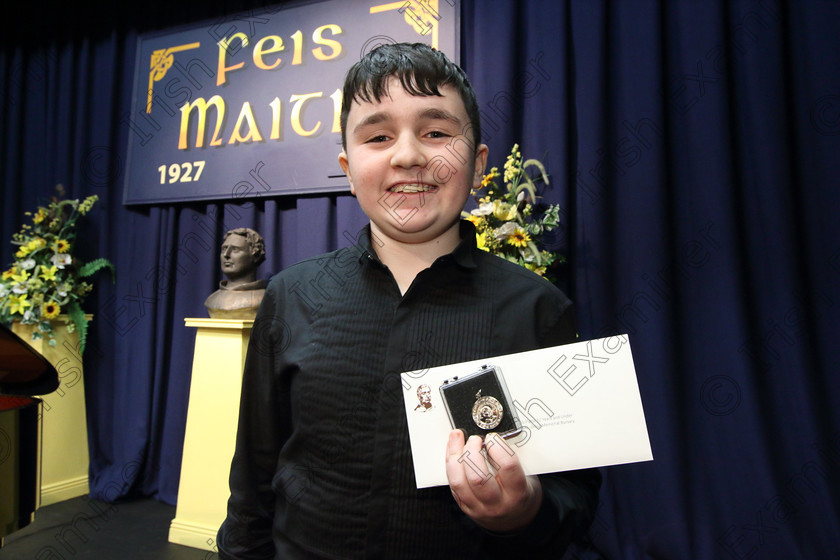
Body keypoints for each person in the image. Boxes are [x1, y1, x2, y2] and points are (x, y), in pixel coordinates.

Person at [217, 42, 601, 559]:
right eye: (377, 136)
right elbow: (254, 478)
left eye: (437, 132)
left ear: (478, 162)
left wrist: (524, 511)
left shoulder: (538, 310)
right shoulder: (291, 295)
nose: (407, 155)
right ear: (348, 169)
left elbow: (575, 495)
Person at [204, 228, 267, 319]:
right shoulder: (212, 299)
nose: (226, 254)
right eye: (224, 249)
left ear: (255, 255)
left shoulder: (265, 299)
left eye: (235, 249)